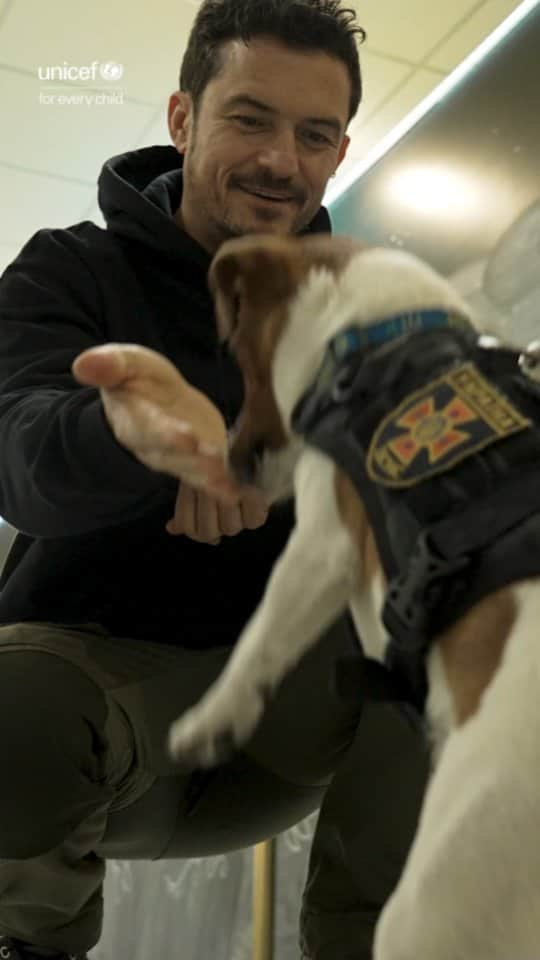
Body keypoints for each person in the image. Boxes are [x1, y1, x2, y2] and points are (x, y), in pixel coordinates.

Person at [0, 1, 430, 958]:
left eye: (313, 134)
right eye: (249, 118)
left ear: (339, 153)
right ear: (183, 118)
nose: (282, 159)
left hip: (291, 726)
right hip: (95, 718)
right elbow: (17, 453)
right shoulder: (68, 270)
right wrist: (129, 433)